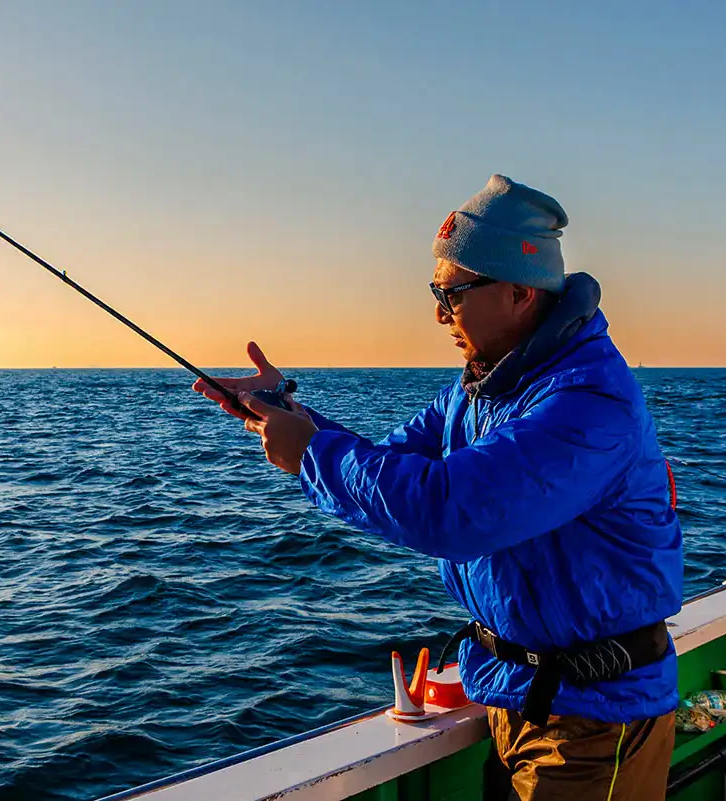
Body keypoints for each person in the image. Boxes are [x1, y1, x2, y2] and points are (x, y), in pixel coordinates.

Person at [194, 175, 684, 800]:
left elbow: (451, 510)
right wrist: (286, 412)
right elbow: (392, 462)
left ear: (517, 293)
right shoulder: (484, 388)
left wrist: (311, 453)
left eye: (450, 292)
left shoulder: (586, 405)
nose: (437, 312)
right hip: (517, 697)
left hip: (594, 719)